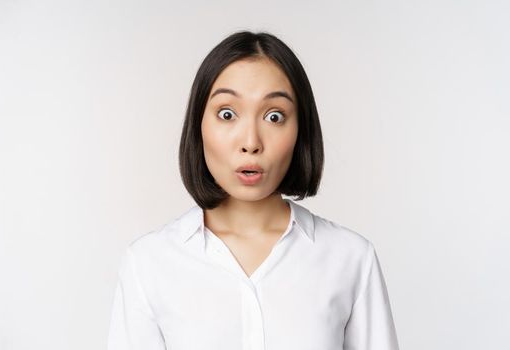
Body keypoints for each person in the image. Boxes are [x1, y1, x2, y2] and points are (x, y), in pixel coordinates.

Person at [107, 30, 399, 350]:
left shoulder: (351, 259)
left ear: (300, 130)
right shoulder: (149, 263)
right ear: (198, 125)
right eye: (227, 114)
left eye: (274, 116)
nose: (251, 142)